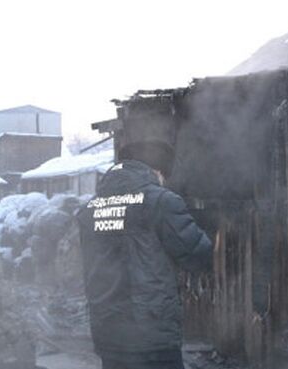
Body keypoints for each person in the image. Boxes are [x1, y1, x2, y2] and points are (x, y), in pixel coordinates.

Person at [77, 141, 213, 369]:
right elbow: (197, 255)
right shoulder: (161, 201)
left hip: (107, 331)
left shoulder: (89, 209)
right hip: (151, 334)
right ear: (157, 170)